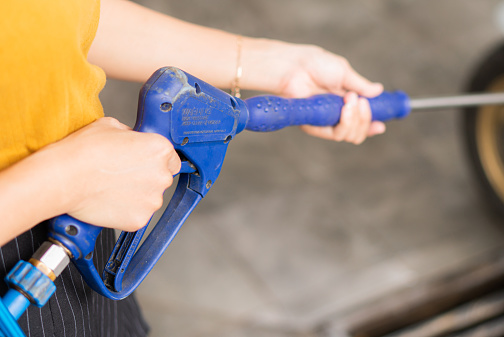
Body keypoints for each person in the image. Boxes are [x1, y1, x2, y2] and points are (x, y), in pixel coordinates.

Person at [0, 0, 385, 336]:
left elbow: (48, 15)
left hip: (79, 228)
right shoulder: (74, 181)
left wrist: (273, 64)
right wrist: (66, 180)